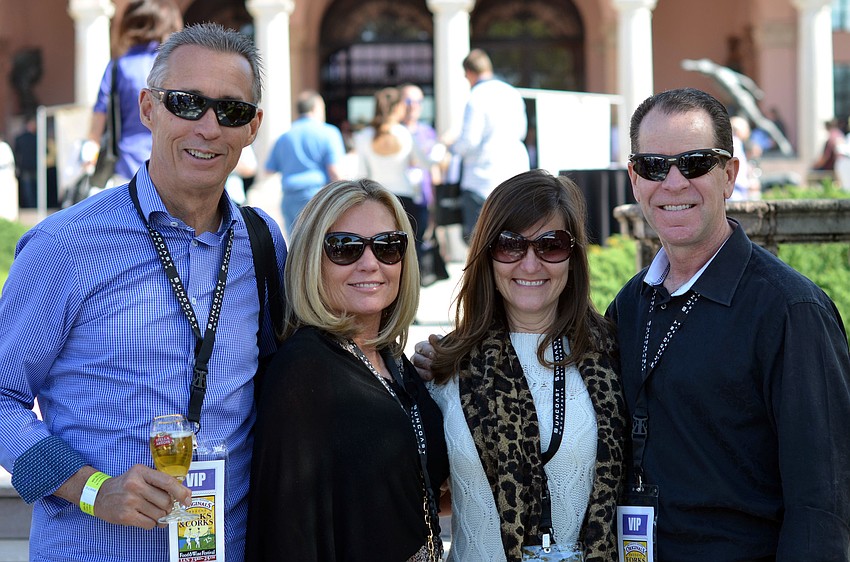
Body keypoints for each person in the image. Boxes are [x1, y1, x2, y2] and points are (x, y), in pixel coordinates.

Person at [0, 23, 285, 562]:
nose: (208, 127)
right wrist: (92, 489)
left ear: (252, 128)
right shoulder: (66, 244)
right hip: (92, 551)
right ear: (149, 109)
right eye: (186, 103)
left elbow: (289, 371)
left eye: (231, 111)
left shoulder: (262, 241)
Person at [608, 87, 850, 558]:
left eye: (695, 162)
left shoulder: (791, 311)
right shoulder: (631, 303)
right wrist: (450, 361)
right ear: (636, 181)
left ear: (730, 175)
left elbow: (823, 503)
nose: (674, 182)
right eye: (655, 166)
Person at [425, 169, 626, 561]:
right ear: (486, 255)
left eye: (551, 245)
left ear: (573, 255)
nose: (530, 264)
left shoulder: (613, 358)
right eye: (510, 245)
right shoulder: (446, 368)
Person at [245, 179, 449, 561]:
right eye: (345, 249)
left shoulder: (391, 358)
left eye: (388, 246)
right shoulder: (305, 371)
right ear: (311, 260)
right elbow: (288, 533)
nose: (370, 263)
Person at [82, 0, 183, 188]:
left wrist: (90, 150)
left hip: (126, 166)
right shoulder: (175, 66)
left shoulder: (117, 67)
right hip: (171, 165)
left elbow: (98, 121)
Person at [447, 49, 529, 241]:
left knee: (480, 241)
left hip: (481, 179)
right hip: (513, 174)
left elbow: (469, 141)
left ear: (468, 73)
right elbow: (522, 132)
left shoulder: (476, 96)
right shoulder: (511, 92)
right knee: (512, 239)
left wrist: (451, 145)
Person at [354, 86, 436, 260]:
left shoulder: (363, 136)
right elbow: (426, 164)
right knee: (411, 254)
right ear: (397, 107)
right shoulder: (405, 134)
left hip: (379, 200)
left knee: (383, 253)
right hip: (406, 201)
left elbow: (361, 174)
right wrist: (441, 151)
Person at [265, 90, 346, 236]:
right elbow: (334, 170)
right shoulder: (329, 132)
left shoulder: (285, 136)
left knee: (296, 245)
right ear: (317, 108)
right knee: (318, 244)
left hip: (289, 197)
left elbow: (269, 169)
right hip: (317, 195)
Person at [13, 114, 37, 208]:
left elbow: (16, 154)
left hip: (25, 166)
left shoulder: (19, 138)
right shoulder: (36, 138)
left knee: (28, 189)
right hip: (34, 166)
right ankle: (34, 205)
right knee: (34, 188)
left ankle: (29, 206)